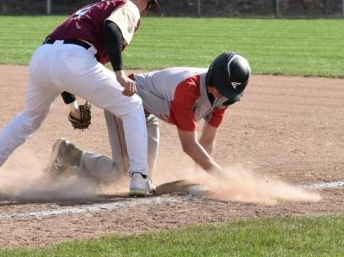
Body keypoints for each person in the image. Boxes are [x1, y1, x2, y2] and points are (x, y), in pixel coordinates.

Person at [0, 0, 162, 196]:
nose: (146, 11)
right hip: (74, 58)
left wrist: (72, 106)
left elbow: (60, 64)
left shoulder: (92, 7)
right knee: (132, 105)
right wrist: (120, 73)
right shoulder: (126, 6)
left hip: (43, 56)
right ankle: (140, 177)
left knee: (29, 118)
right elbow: (111, 29)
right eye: (149, 4)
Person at [45, 52, 251, 187]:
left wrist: (201, 178)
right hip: (124, 104)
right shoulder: (187, 89)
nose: (223, 97)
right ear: (213, 77)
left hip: (146, 113)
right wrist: (221, 175)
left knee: (143, 176)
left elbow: (207, 141)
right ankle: (70, 155)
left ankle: (82, 173)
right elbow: (189, 145)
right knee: (126, 176)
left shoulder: (222, 99)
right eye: (221, 90)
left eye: (228, 95)